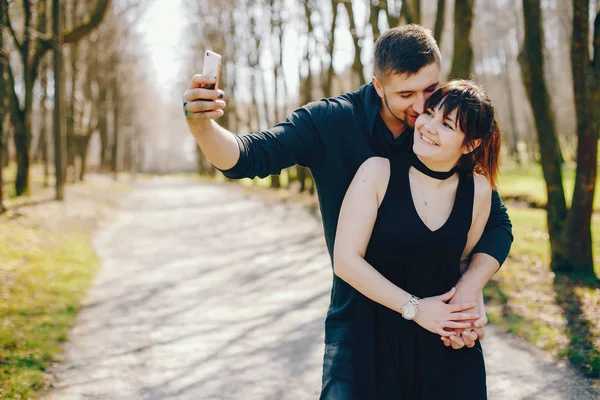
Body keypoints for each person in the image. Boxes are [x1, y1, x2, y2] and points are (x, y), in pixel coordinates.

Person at [182, 25, 513, 399]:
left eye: (431, 90)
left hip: (436, 331)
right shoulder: (331, 121)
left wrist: (468, 294)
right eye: (406, 94)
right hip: (359, 325)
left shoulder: (440, 129)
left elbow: (494, 223)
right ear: (377, 85)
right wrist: (202, 126)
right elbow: (247, 156)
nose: (422, 109)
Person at [334, 79, 500, 399]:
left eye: (447, 124)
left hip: (448, 351)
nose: (428, 126)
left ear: (470, 144)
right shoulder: (378, 173)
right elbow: (345, 260)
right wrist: (414, 308)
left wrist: (469, 317)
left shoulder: (479, 191)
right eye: (429, 114)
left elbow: (464, 262)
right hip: (382, 345)